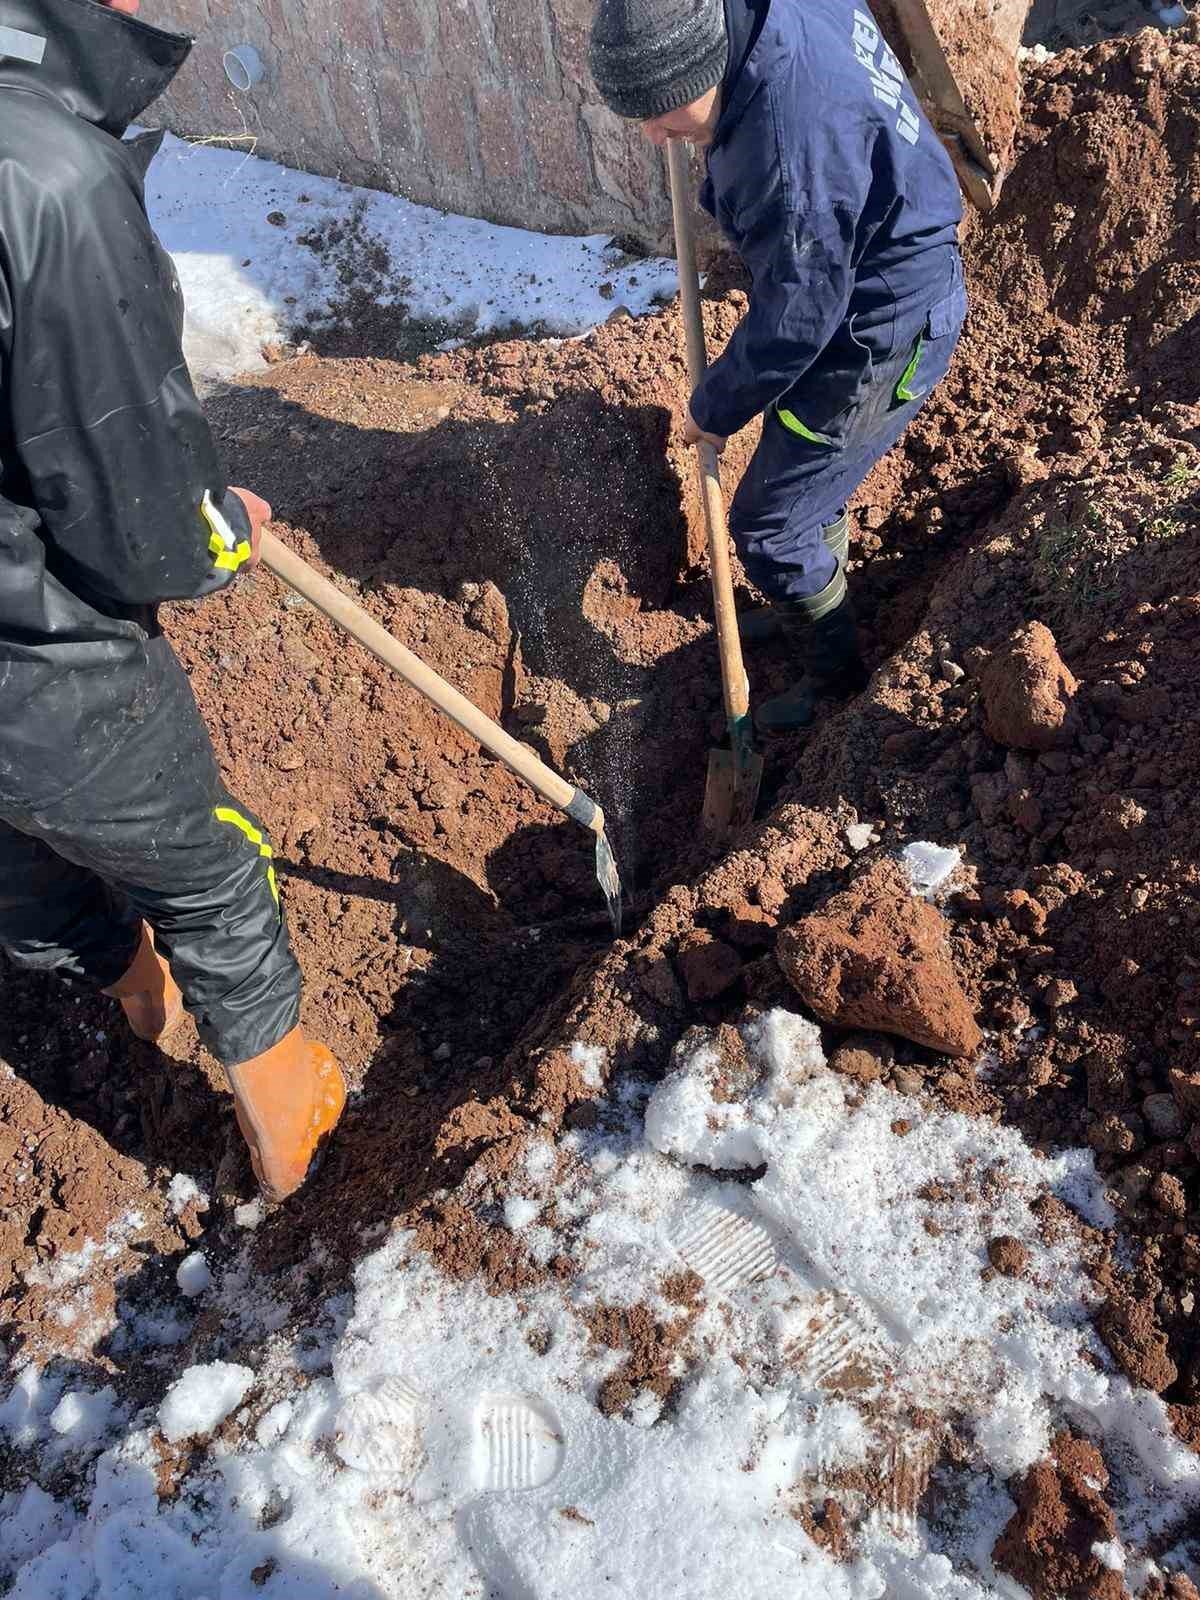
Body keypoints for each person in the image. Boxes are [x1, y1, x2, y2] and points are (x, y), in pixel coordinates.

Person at [0, 0, 345, 1202]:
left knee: (20, 855)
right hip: (30, 648)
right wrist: (209, 529)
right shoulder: (48, 175)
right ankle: (302, 1153)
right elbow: (126, 496)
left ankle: (127, 994)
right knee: (210, 870)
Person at [590, 0, 968, 732]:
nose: (652, 134)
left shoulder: (791, 156)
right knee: (801, 480)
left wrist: (714, 408)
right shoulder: (764, 15)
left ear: (702, 68)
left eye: (663, 112)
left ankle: (835, 681)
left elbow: (796, 319)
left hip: (884, 323)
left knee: (769, 524)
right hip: (861, 265)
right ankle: (810, 595)